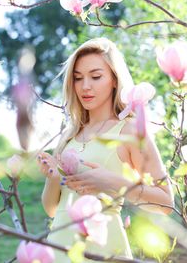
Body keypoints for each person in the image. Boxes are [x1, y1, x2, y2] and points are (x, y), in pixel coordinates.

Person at [37, 37, 174, 262]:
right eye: (78, 78)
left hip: (104, 248)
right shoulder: (69, 135)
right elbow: (53, 209)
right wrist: (53, 178)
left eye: (96, 76)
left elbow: (166, 203)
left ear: (114, 79)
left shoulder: (129, 131)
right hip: (59, 248)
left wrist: (113, 182)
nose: (85, 86)